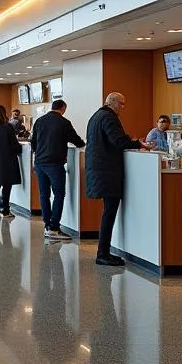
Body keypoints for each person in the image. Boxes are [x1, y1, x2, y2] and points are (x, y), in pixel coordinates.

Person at [85, 92, 155, 266]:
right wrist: (139, 144)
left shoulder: (96, 116)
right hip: (107, 171)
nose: (123, 108)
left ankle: (104, 251)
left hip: (100, 170)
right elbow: (117, 141)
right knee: (109, 213)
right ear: (112, 103)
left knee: (108, 212)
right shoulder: (109, 118)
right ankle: (103, 253)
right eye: (121, 104)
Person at [29, 99, 85, 241]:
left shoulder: (39, 121)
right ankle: (54, 228)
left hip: (39, 163)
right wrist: (83, 144)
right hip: (54, 163)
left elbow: (33, 142)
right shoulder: (64, 122)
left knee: (44, 194)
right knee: (59, 194)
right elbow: (77, 141)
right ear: (63, 108)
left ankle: (47, 225)